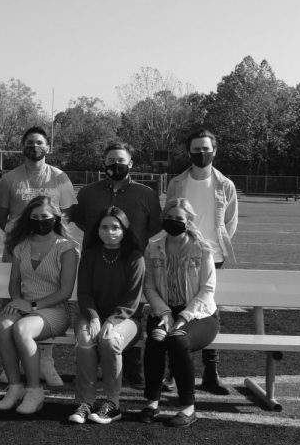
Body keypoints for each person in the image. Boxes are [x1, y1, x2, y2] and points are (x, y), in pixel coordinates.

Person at [71, 142, 163, 389]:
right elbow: (81, 221)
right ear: (103, 163)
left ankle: (131, 373)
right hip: (97, 262)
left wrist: (132, 244)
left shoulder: (146, 194)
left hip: (131, 264)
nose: (115, 165)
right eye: (110, 160)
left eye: (120, 160)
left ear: (131, 163)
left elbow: (154, 226)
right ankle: (101, 374)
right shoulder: (88, 193)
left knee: (130, 314)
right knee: (96, 315)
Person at [0, 126, 77, 386]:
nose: (34, 146)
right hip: (19, 248)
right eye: (29, 142)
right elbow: (0, 217)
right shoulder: (10, 178)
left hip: (50, 247)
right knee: (18, 299)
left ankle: (45, 362)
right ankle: (16, 362)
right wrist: (22, 237)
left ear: (47, 147)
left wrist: (48, 238)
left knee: (46, 299)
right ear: (22, 146)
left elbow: (67, 213)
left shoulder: (60, 177)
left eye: (39, 142)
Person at [165, 128, 237, 395]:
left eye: (206, 148)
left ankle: (211, 372)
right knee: (177, 308)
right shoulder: (176, 183)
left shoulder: (225, 184)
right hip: (180, 253)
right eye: (196, 149)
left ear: (214, 150)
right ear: (189, 151)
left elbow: (230, 221)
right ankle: (173, 373)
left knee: (208, 311)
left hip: (212, 258)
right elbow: (170, 216)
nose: (201, 153)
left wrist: (211, 248)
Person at [0, 196, 78, 415]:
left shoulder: (66, 247)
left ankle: (34, 391)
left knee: (22, 329)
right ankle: (15, 388)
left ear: (56, 218)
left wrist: (31, 304)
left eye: (45, 217)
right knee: (3, 326)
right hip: (25, 307)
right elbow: (14, 282)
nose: (40, 221)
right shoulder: (21, 246)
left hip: (55, 311)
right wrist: (16, 301)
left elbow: (65, 292)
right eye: (35, 217)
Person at [140, 198, 218, 428]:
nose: (173, 222)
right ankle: (152, 402)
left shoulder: (202, 249)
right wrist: (165, 314)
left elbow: (208, 290)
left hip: (199, 315)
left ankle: (187, 407)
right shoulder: (153, 247)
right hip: (163, 310)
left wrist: (183, 316)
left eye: (179, 219)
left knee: (177, 340)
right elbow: (149, 287)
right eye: (169, 218)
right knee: (156, 339)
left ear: (189, 222)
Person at [69, 206, 145, 425]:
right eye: (105, 227)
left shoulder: (135, 257)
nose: (110, 232)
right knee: (85, 340)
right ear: (97, 229)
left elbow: (131, 300)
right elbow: (83, 292)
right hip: (91, 315)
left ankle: (113, 403)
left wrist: (111, 321)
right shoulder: (91, 254)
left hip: (127, 319)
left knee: (110, 341)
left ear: (124, 230)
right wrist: (93, 317)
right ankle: (85, 402)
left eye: (115, 227)